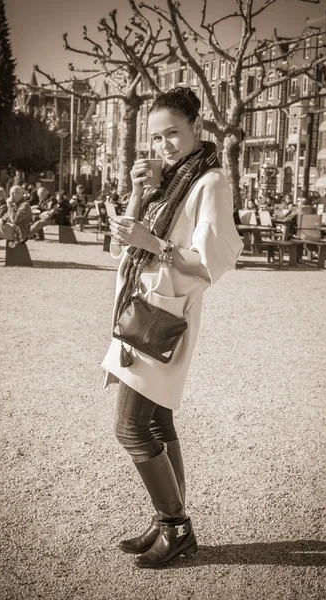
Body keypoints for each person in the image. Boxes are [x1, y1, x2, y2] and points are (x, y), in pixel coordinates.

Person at [102, 87, 244, 569]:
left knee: (130, 428)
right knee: (158, 420)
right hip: (138, 308)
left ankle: (177, 527)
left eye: (173, 134)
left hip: (162, 319)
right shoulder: (170, 180)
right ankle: (168, 521)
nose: (164, 145)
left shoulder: (211, 183)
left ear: (195, 129)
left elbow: (214, 262)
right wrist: (142, 191)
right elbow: (125, 245)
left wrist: (155, 242)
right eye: (157, 137)